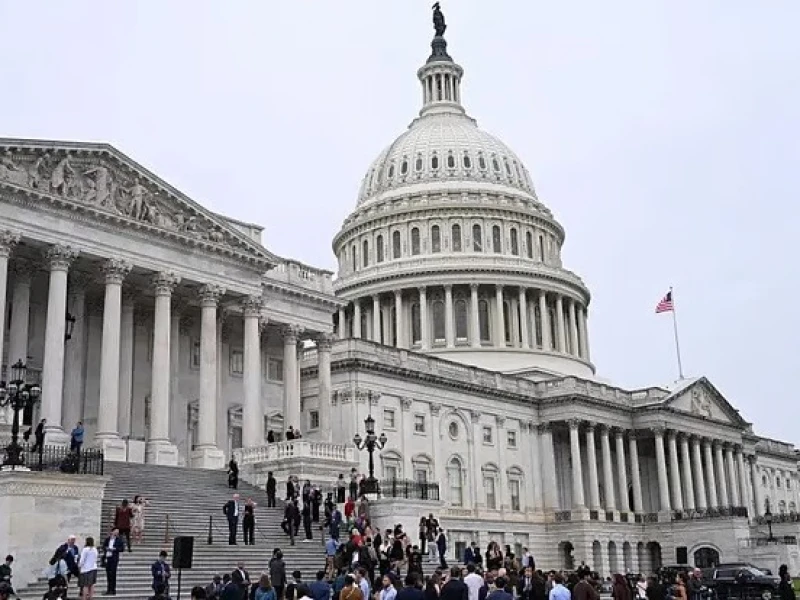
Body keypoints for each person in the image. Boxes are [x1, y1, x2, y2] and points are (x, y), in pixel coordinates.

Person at [101, 528, 125, 596]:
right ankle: (108, 590)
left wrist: (115, 549)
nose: (117, 533)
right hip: (108, 558)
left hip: (114, 559)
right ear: (112, 532)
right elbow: (103, 546)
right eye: (116, 531)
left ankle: (113, 590)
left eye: (118, 532)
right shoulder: (108, 539)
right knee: (108, 574)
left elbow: (122, 548)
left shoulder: (119, 540)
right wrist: (106, 548)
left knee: (113, 574)